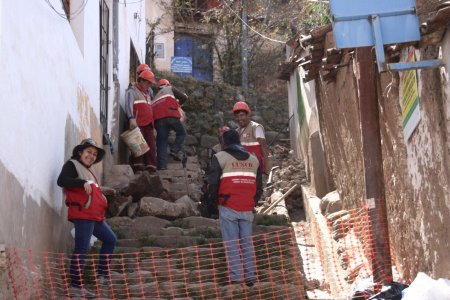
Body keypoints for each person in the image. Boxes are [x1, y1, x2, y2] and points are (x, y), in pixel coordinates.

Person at [57, 138, 117, 298]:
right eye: (88, 152)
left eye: (94, 154)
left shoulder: (88, 171)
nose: (91, 156)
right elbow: (61, 181)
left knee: (111, 239)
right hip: (83, 215)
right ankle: (76, 286)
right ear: (80, 152)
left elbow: (88, 189)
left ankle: (103, 276)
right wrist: (83, 182)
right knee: (81, 249)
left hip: (95, 216)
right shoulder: (72, 165)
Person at [206, 129, 263, 287]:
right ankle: (250, 276)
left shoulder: (219, 157)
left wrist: (212, 205)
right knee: (246, 242)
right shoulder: (254, 159)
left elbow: (213, 184)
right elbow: (259, 187)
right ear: (239, 141)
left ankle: (237, 277)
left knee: (232, 243)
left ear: (224, 142)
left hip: (227, 205)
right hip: (247, 206)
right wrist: (252, 202)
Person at [151, 79, 188, 170]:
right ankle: (174, 150)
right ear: (167, 84)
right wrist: (178, 104)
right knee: (181, 133)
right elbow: (184, 97)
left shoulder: (155, 97)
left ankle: (162, 165)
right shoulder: (170, 88)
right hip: (171, 115)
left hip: (158, 120)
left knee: (161, 142)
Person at [125, 69, 157, 172]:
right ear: (142, 80)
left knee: (151, 145)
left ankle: (151, 166)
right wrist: (131, 118)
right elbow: (128, 105)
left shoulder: (148, 93)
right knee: (138, 146)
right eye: (148, 82)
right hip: (137, 123)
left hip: (149, 123)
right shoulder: (132, 91)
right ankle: (138, 166)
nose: (149, 85)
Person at [232, 101, 271, 174]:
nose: (239, 118)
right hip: (242, 167)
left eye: (242, 115)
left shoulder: (256, 127)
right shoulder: (236, 131)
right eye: (237, 116)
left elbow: (264, 148)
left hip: (255, 168)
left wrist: (267, 168)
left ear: (248, 115)